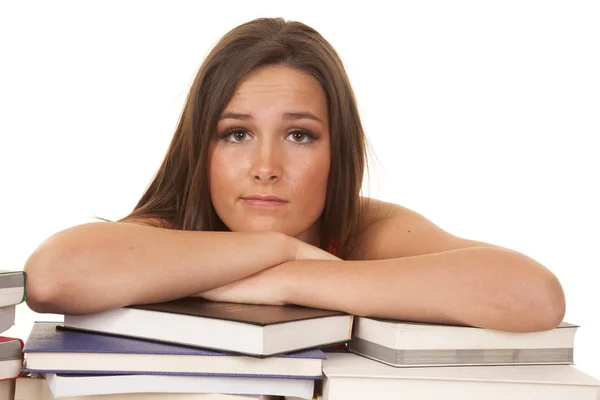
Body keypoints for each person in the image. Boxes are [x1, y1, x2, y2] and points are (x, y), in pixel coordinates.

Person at [24, 17, 565, 333]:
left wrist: (290, 278)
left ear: (338, 149)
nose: (265, 168)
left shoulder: (363, 228)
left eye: (299, 135)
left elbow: (533, 295)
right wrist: (284, 246)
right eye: (236, 133)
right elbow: (51, 277)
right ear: (201, 147)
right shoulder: (172, 227)